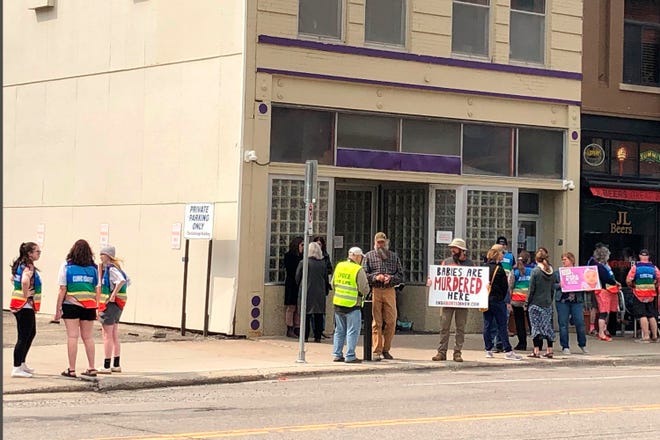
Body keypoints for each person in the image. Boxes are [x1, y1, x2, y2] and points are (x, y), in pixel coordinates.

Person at [54, 239, 100, 379]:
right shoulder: (94, 268)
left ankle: (72, 369)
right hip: (89, 306)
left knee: (72, 336)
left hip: (71, 304)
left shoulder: (66, 266)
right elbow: (96, 288)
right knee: (88, 337)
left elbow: (62, 289)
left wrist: (57, 309)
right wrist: (97, 307)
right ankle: (92, 367)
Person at [430, 238, 473, 363]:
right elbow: (439, 278)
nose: (452, 250)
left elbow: (474, 281)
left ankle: (457, 353)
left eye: (454, 248)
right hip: (447, 301)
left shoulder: (470, 264)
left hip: (462, 301)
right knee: (444, 326)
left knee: (460, 328)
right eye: (451, 248)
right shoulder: (446, 262)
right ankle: (441, 352)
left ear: (462, 250)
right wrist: (431, 281)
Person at [363, 232, 403, 361]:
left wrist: (390, 278)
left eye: (383, 242)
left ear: (386, 243)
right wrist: (376, 277)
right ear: (375, 243)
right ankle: (376, 350)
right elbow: (364, 274)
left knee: (391, 321)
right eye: (378, 242)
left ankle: (386, 349)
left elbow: (401, 276)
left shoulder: (393, 257)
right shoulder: (368, 256)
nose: (381, 245)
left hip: (389, 290)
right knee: (376, 322)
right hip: (375, 290)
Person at [482, 244, 522, 360]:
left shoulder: (484, 267)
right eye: (502, 253)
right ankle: (508, 350)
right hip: (498, 300)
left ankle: (488, 349)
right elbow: (505, 287)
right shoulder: (499, 269)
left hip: (486, 299)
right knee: (502, 325)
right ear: (498, 254)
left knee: (487, 324)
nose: (504, 255)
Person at [9, 242, 42, 378]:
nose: (39, 254)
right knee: (23, 336)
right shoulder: (28, 266)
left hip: (21, 304)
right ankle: (16, 367)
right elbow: (24, 281)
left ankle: (21, 363)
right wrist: (25, 294)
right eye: (37, 252)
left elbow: (13, 278)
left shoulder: (21, 264)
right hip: (24, 305)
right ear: (29, 253)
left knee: (31, 333)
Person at [331, 247, 370, 363]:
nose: (362, 259)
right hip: (353, 304)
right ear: (357, 257)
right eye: (361, 257)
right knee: (352, 331)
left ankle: (337, 354)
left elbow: (332, 283)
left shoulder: (339, 266)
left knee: (339, 331)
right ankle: (350, 355)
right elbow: (364, 288)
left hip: (338, 303)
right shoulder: (358, 269)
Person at [97, 245, 130, 374]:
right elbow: (127, 280)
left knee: (107, 335)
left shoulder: (111, 269)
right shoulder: (117, 268)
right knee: (114, 333)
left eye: (103, 254)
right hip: (119, 305)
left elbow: (121, 281)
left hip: (111, 304)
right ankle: (116, 364)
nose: (100, 257)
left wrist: (112, 295)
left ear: (108, 256)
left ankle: (106, 365)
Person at [554, 252, 588, 355]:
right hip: (562, 301)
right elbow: (552, 285)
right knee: (563, 323)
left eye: (565, 259)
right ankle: (565, 346)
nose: (563, 261)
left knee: (580, 322)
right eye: (562, 260)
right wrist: (559, 285)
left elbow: (585, 285)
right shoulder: (558, 273)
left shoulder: (579, 272)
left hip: (576, 301)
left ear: (571, 260)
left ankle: (582, 344)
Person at [295, 241, 328, 342]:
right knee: (318, 315)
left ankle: (304, 336)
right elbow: (326, 278)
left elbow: (297, 277)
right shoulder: (323, 264)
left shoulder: (303, 263)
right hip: (319, 292)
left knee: (305, 315)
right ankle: (317, 336)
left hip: (306, 291)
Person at [527, 248, 556, 358]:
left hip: (535, 303)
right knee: (548, 326)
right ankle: (550, 350)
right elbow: (552, 289)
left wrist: (527, 302)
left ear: (536, 259)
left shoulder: (535, 271)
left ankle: (536, 350)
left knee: (536, 328)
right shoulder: (551, 271)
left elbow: (531, 289)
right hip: (547, 303)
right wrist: (550, 299)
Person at [626, 249, 660, 343]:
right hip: (650, 294)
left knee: (642, 315)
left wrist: (633, 286)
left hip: (639, 294)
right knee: (651, 315)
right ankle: (655, 336)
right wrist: (654, 286)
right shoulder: (654, 267)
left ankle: (645, 336)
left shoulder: (635, 267)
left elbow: (628, 280)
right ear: (648, 257)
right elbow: (658, 278)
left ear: (640, 256)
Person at [587, 245, 620, 342]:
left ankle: (602, 330)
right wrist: (615, 282)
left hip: (602, 290)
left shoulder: (595, 264)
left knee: (604, 311)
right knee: (603, 312)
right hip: (603, 291)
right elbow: (607, 278)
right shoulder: (600, 266)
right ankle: (601, 332)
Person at [511, 250, 533, 351]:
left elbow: (511, 286)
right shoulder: (533, 271)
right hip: (529, 299)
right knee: (531, 322)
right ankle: (537, 343)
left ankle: (522, 343)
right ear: (528, 260)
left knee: (519, 322)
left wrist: (509, 299)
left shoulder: (515, 272)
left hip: (517, 299)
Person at [313, 236, 333, 339]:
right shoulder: (309, 257)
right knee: (311, 311)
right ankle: (313, 331)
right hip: (311, 287)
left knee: (321, 311)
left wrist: (323, 271)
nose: (318, 246)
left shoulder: (325, 256)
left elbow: (330, 269)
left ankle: (321, 330)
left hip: (322, 286)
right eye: (316, 244)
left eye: (320, 244)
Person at [283, 237, 304, 338]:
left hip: (300, 284)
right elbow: (291, 270)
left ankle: (297, 327)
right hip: (292, 283)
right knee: (291, 307)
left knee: (298, 306)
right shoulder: (289, 256)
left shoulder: (303, 257)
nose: (303, 248)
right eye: (302, 245)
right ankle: (289, 328)